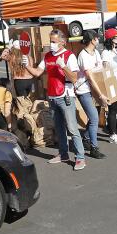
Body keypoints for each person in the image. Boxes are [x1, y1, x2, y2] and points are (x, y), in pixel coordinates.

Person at [23, 29, 86, 170]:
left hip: (66, 97)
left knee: (72, 128)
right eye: (50, 41)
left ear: (62, 42)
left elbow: (75, 78)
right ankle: (63, 154)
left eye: (54, 42)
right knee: (59, 128)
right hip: (52, 97)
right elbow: (38, 72)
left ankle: (80, 157)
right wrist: (27, 65)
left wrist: (63, 66)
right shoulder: (48, 56)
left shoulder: (69, 56)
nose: (51, 44)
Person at [1, 44, 44, 149]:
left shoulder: (12, 57)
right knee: (31, 105)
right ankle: (36, 128)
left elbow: (2, 56)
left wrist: (7, 48)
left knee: (22, 107)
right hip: (30, 81)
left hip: (19, 82)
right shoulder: (28, 57)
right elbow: (33, 69)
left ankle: (28, 130)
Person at [76, 30, 109, 160]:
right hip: (84, 89)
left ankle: (86, 138)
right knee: (95, 118)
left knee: (93, 116)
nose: (98, 40)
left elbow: (100, 70)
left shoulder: (95, 53)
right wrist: (101, 95)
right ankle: (94, 148)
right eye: (97, 38)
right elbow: (89, 77)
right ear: (92, 40)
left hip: (94, 88)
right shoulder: (83, 55)